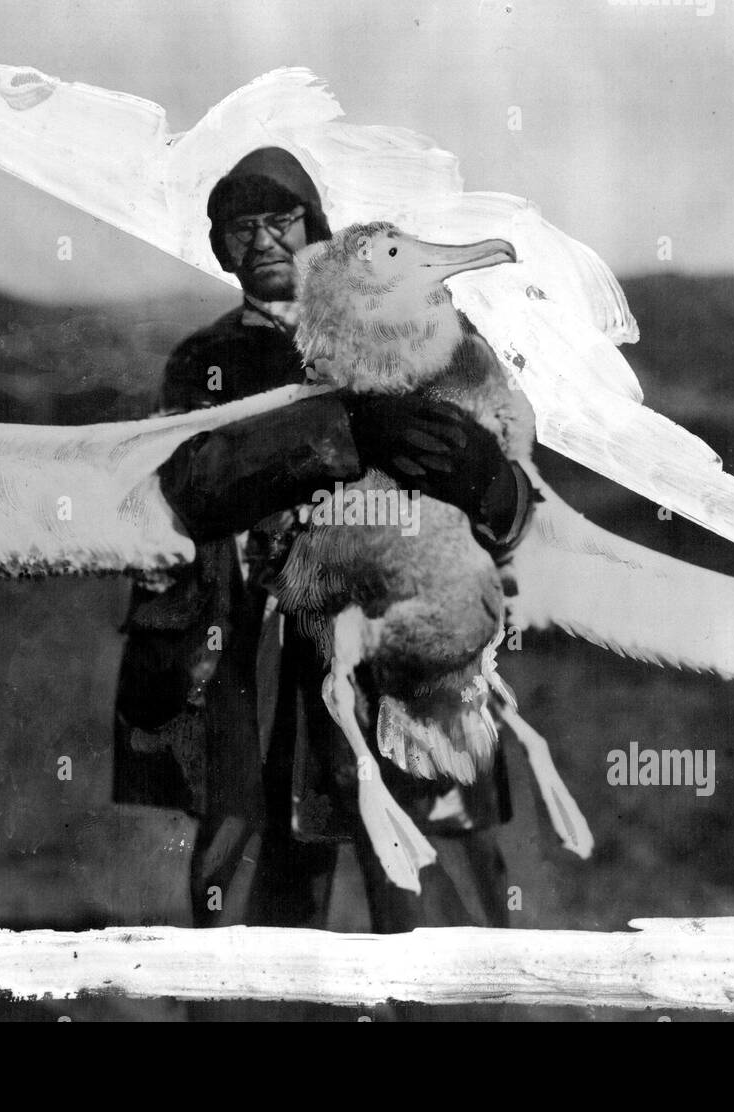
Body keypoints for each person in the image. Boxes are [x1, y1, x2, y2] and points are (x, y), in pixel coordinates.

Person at [113, 147, 533, 933]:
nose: (264, 240)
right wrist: (337, 430)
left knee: (442, 909)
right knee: (253, 918)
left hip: (413, 656)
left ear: (318, 232)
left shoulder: (422, 325)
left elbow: (516, 501)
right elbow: (190, 485)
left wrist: (490, 479)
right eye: (241, 228)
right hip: (260, 662)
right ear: (221, 247)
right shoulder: (205, 364)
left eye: (282, 220)